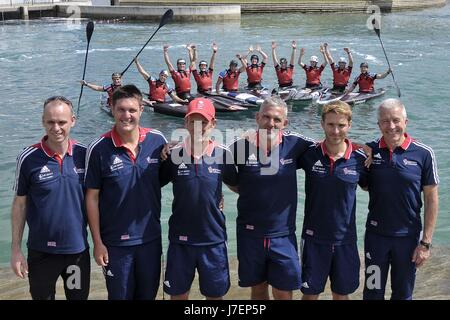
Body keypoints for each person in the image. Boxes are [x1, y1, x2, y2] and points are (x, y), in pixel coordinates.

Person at [85, 85, 167, 300]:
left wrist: (217, 197)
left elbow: (181, 176)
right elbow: (91, 198)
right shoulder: (99, 148)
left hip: (150, 239)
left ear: (141, 109)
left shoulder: (158, 141)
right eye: (121, 109)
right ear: (112, 109)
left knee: (148, 295)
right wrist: (98, 242)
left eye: (132, 110)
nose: (126, 115)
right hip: (115, 244)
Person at [228, 96, 315, 300]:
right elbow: (212, 163)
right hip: (250, 233)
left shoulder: (296, 144)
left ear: (285, 122)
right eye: (266, 117)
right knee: (258, 289)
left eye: (277, 119)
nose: (271, 123)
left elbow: (331, 143)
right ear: (257, 118)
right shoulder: (239, 146)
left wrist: (361, 148)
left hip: (283, 234)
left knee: (283, 292)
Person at [11, 96, 90, 300]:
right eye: (50, 122)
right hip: (41, 253)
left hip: (77, 254)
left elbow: (98, 199)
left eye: (62, 122)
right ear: (43, 121)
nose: (56, 128)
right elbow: (20, 205)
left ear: (73, 120)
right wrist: (16, 250)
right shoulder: (28, 158)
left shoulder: (85, 155)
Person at [159, 98, 238, 300]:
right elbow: (152, 186)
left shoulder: (223, 154)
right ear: (185, 123)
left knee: (214, 297)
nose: (197, 127)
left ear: (213, 124)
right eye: (192, 121)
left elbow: (236, 185)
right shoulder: (173, 154)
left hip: (213, 239)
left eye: (203, 122)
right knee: (177, 295)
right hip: (180, 240)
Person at [361, 99, 439, 300]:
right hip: (375, 238)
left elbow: (431, 200)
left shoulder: (423, 154)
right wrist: (360, 146)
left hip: (408, 239)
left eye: (396, 120)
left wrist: (426, 243)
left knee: (403, 294)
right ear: (378, 125)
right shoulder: (368, 152)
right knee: (372, 292)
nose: (391, 126)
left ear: (406, 122)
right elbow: (340, 143)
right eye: (385, 121)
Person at [298, 101, 368, 300]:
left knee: (341, 294)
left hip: (345, 239)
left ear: (349, 125)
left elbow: (373, 187)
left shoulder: (360, 159)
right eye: (330, 124)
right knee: (310, 294)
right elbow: (279, 158)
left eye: (341, 125)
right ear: (322, 124)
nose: (335, 131)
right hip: (313, 238)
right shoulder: (309, 154)